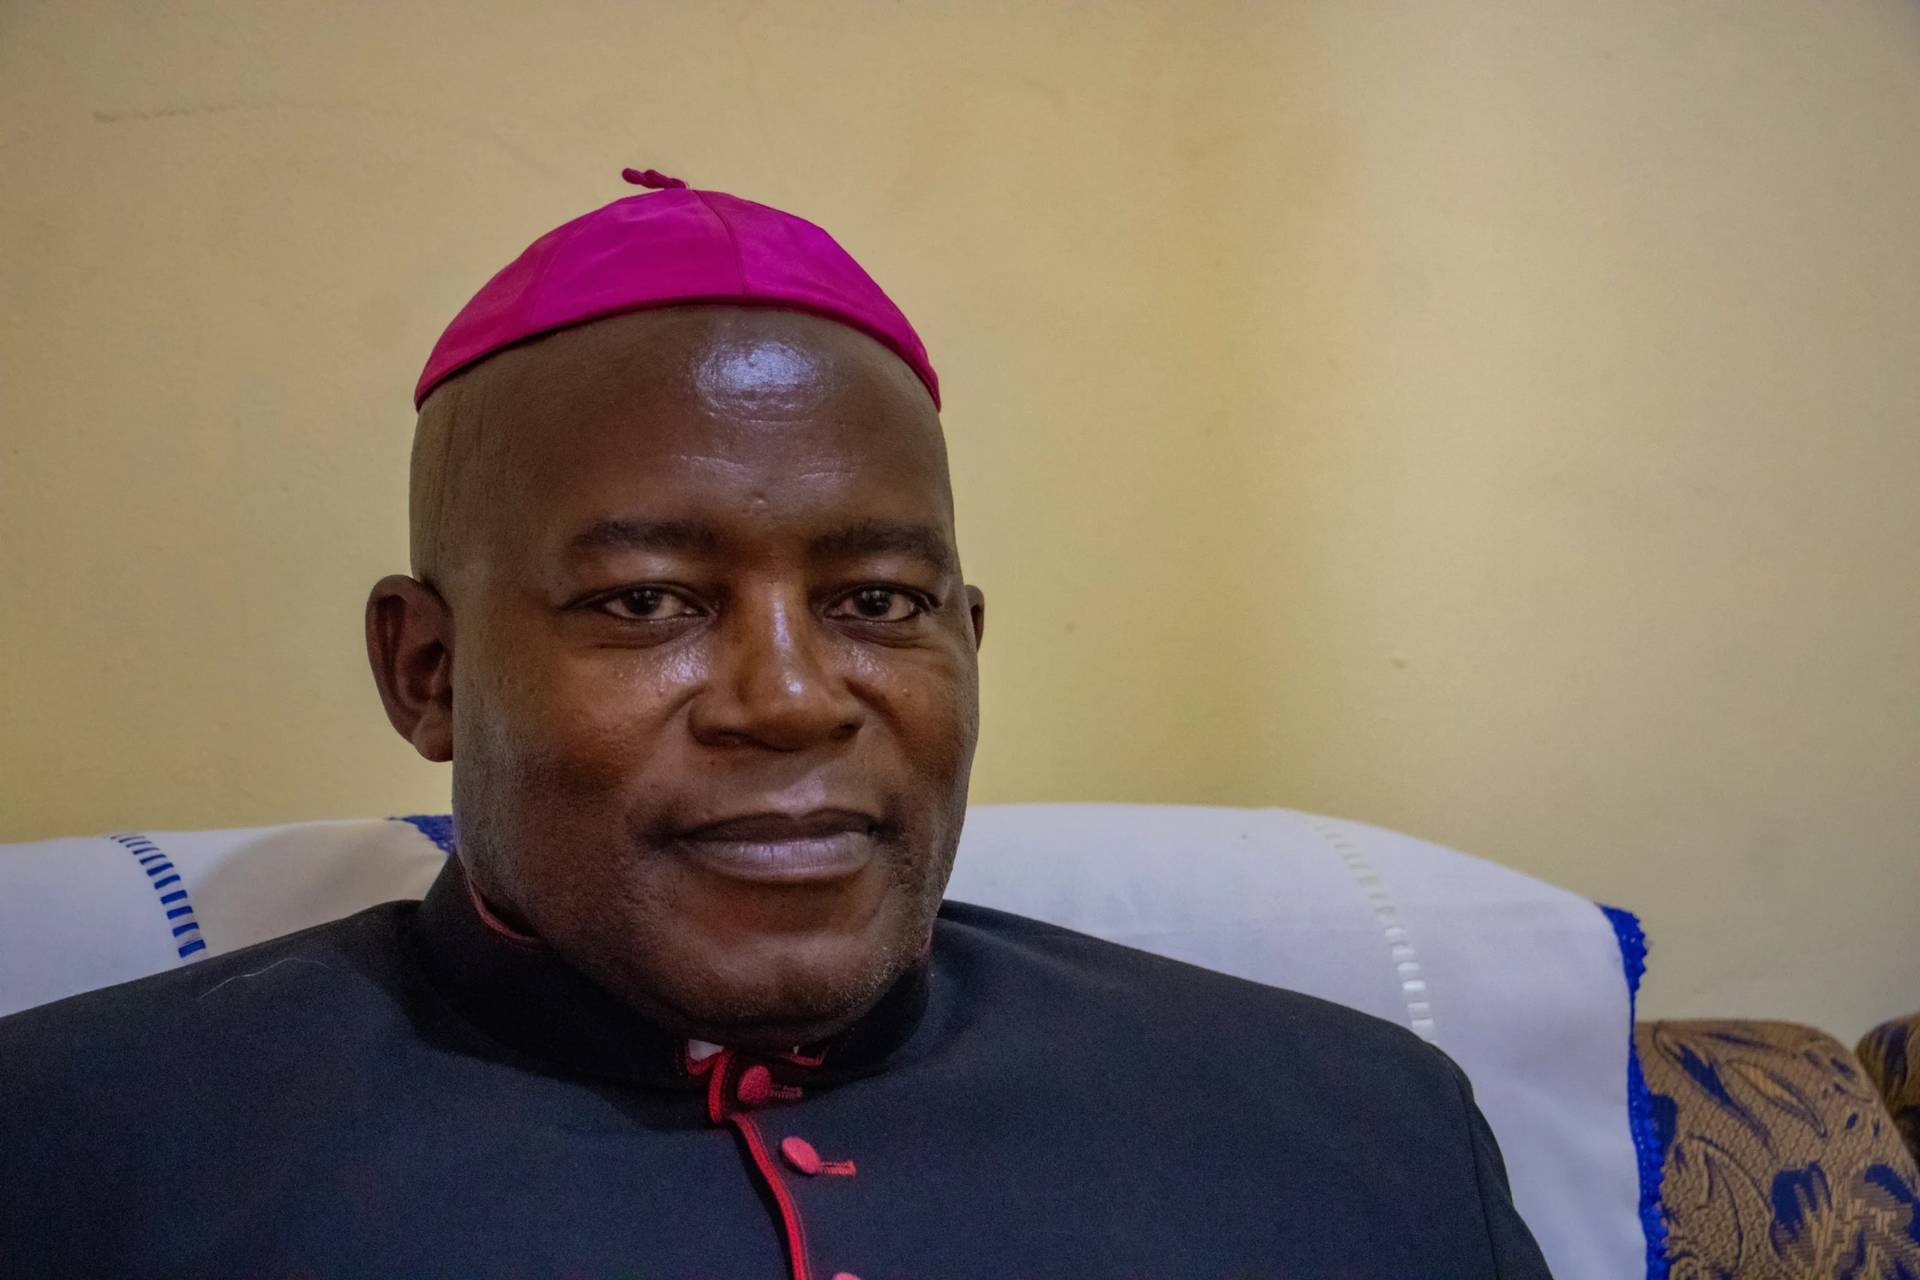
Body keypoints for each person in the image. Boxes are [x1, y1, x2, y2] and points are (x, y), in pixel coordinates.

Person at [0, 169, 1552, 1278]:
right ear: (426, 672)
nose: (795, 696)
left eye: (877, 599)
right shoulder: (68, 1156)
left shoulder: (1365, 1126)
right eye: (647, 601)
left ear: (970, 646)